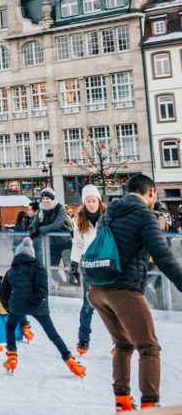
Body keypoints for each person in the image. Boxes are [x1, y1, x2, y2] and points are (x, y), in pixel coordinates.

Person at [87, 174, 182, 411]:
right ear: (150, 192)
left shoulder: (107, 215)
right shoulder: (144, 215)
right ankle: (150, 405)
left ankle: (122, 401)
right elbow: (163, 256)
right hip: (124, 291)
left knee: (123, 344)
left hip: (98, 291)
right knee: (149, 348)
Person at [0, 237, 86, 378]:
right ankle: (71, 361)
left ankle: (12, 356)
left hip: (18, 305)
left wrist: (9, 308)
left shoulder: (11, 271)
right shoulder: (39, 267)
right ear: (31, 254)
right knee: (52, 334)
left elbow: (4, 293)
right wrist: (38, 299)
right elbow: (42, 287)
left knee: (10, 327)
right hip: (38, 305)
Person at [69, 184, 105, 355]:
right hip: (88, 266)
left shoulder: (108, 217)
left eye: (93, 200)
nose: (91, 204)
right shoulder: (79, 221)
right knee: (87, 304)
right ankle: (83, 339)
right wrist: (74, 264)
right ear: (84, 203)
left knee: (112, 304)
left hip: (107, 265)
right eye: (88, 201)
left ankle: (119, 340)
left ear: (99, 200)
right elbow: (77, 244)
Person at [29, 188, 73, 279]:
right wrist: (32, 229)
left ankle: (75, 284)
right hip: (52, 244)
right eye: (43, 198)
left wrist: (40, 230)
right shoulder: (41, 209)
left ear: (52, 199)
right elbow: (35, 222)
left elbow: (57, 225)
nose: (45, 201)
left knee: (69, 266)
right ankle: (59, 284)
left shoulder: (60, 208)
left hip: (65, 242)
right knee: (52, 267)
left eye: (47, 198)